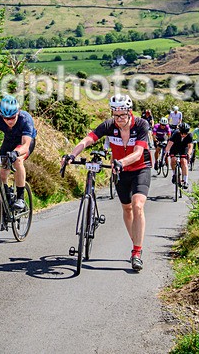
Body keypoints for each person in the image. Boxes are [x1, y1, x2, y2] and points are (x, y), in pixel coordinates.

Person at [61, 94, 151, 271]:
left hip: (140, 168)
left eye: (122, 115)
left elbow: (139, 152)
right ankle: (136, 242)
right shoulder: (109, 126)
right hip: (120, 171)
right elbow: (88, 139)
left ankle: (136, 252)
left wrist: (121, 162)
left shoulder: (141, 125)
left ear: (129, 112)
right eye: (115, 115)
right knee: (126, 208)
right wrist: (72, 154)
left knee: (137, 205)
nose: (118, 119)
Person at [165, 122, 193, 189]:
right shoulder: (176, 134)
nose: (183, 135)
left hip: (183, 148)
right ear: (179, 131)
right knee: (173, 160)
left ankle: (185, 180)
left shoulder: (189, 135)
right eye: (182, 133)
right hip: (175, 147)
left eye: (185, 133)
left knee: (184, 161)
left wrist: (189, 154)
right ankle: (174, 174)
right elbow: (170, 143)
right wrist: (166, 152)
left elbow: (190, 146)